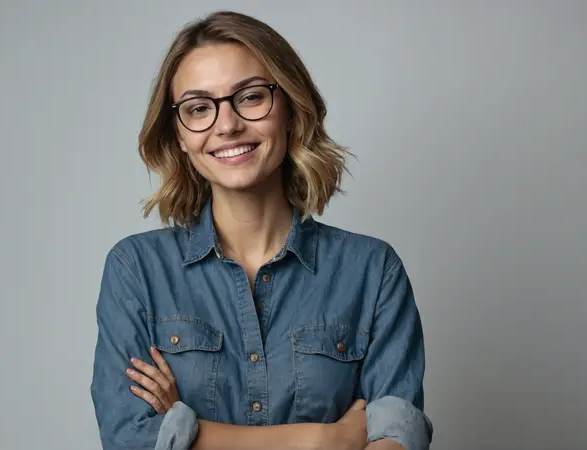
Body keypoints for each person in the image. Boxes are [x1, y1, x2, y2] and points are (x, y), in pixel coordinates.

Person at [91, 10, 433, 450]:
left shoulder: (372, 270)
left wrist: (189, 432)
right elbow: (129, 439)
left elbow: (398, 436)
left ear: (290, 109)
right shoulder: (136, 270)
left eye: (250, 97)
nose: (227, 124)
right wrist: (319, 441)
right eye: (198, 108)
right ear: (179, 134)